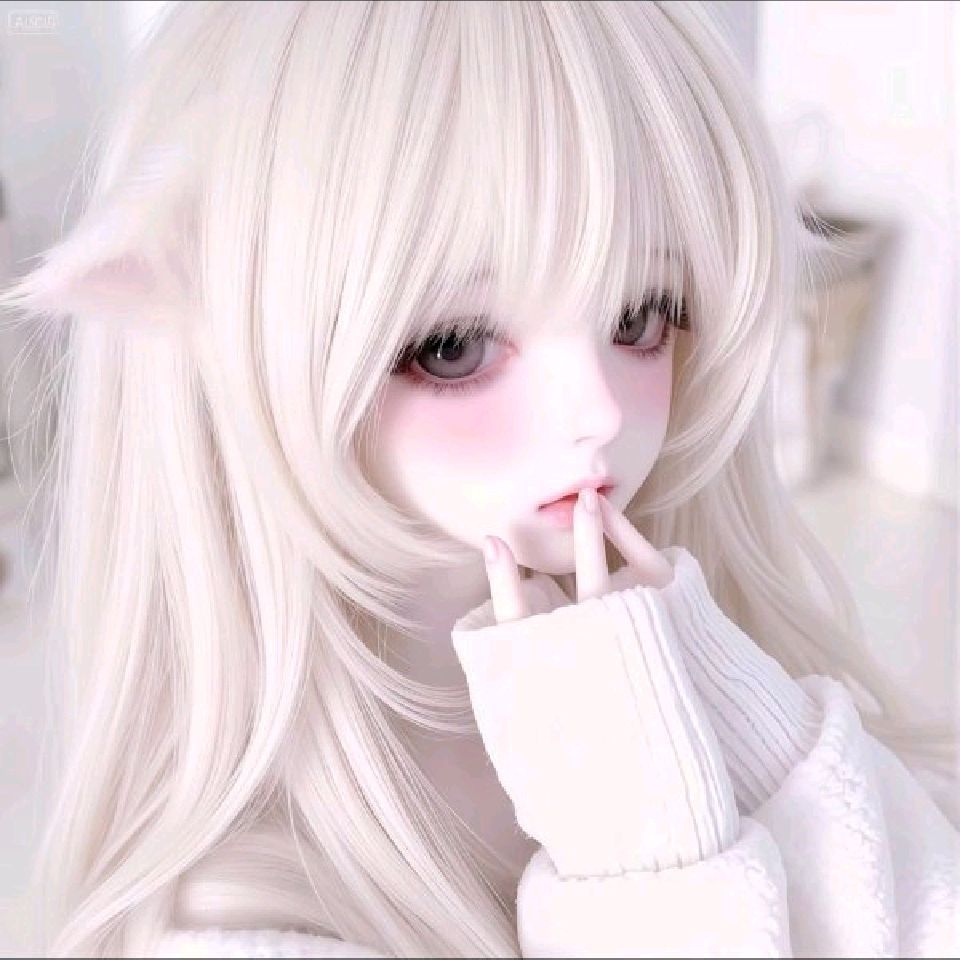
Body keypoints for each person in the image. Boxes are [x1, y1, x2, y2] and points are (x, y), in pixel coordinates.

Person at [0, 1, 956, 956]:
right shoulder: (243, 922)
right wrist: (645, 850)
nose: (599, 412)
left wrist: (743, 715)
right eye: (453, 346)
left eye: (640, 317)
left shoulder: (679, 659)